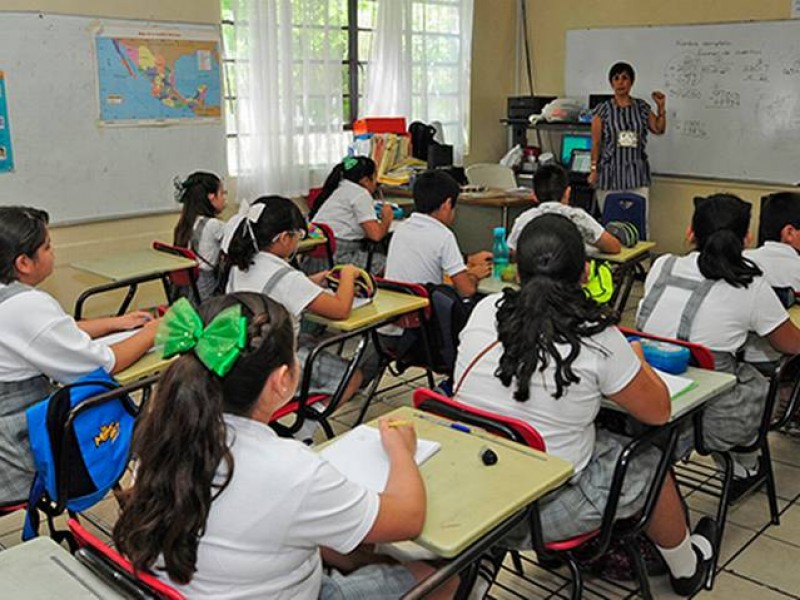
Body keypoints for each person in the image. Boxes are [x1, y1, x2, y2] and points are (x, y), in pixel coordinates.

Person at [113, 293, 455, 599]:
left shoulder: (160, 439)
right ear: (281, 381)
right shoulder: (294, 471)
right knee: (447, 574)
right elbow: (409, 518)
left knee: (346, 548)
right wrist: (400, 449)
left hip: (199, 584)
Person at [454, 214, 716, 596]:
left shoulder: (485, 310)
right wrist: (637, 361)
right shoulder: (596, 334)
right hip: (542, 512)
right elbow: (657, 410)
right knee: (647, 462)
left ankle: (474, 582)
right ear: (586, 272)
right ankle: (687, 568)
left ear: (516, 270)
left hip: (474, 487)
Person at [637, 194, 800, 486]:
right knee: (763, 378)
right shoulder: (750, 284)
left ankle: (739, 468)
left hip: (646, 400)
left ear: (690, 233)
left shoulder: (662, 266)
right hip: (714, 421)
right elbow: (791, 345)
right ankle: (744, 468)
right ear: (746, 239)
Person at [0, 206, 159, 504]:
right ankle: (140, 497)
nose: (54, 252)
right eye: (47, 247)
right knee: (138, 414)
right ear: (23, 262)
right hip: (16, 452)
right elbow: (104, 363)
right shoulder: (27, 306)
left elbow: (51, 333)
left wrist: (115, 323)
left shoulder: (9, 297)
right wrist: (155, 331)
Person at [225, 196, 375, 440]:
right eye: (298, 235)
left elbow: (281, 288)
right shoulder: (286, 277)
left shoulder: (241, 266)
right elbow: (340, 310)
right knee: (352, 376)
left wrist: (318, 280)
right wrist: (347, 275)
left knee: (307, 339)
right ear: (284, 238)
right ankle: (305, 430)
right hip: (278, 364)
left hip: (243, 359)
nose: (298, 241)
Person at [385, 170, 492, 297]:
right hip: (421, 312)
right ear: (447, 204)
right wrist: (474, 275)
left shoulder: (401, 228)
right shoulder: (443, 235)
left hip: (394, 308)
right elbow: (467, 290)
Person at [588, 62, 666, 225]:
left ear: (631, 82)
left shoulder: (642, 107)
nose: (620, 82)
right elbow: (596, 142)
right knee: (612, 222)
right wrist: (594, 169)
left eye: (625, 78)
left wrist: (661, 108)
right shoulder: (602, 110)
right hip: (610, 173)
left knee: (638, 221)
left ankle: (641, 250)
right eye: (616, 78)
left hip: (635, 172)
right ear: (611, 83)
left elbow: (658, 129)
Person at [507, 163, 621, 256]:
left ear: (534, 196)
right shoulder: (578, 217)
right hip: (567, 281)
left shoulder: (524, 219)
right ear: (568, 192)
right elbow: (613, 247)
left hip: (533, 281)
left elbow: (511, 252)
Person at [743, 192, 800, 376]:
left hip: (738, 356)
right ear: (789, 233)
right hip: (780, 360)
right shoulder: (796, 267)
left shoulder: (743, 258)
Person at [308, 156, 393, 274]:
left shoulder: (340, 187)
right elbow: (376, 235)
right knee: (387, 264)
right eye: (375, 178)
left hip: (314, 261)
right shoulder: (360, 193)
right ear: (365, 181)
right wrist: (387, 218)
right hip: (338, 259)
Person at [173, 171, 227, 301]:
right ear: (211, 197)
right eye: (222, 193)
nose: (224, 198)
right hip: (207, 294)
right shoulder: (213, 225)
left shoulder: (185, 223)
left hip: (187, 293)